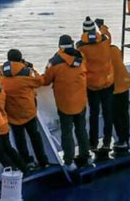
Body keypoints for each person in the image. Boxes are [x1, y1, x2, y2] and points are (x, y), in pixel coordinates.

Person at [43, 35, 91, 170]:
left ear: (59, 46)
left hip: (65, 104)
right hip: (81, 101)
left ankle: (69, 162)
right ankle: (86, 156)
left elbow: (46, 80)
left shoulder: (54, 62)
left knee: (67, 133)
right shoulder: (80, 58)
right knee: (81, 130)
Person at [0, 49, 48, 168]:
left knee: (19, 140)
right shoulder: (27, 73)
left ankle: (27, 161)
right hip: (28, 112)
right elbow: (40, 81)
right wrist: (32, 68)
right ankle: (43, 161)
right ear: (20, 59)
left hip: (12, 114)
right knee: (35, 137)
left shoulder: (1, 74)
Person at [76, 18, 114, 152]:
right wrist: (101, 26)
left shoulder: (80, 46)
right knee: (108, 113)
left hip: (91, 85)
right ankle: (107, 142)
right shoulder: (105, 40)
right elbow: (108, 35)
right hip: (107, 82)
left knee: (94, 114)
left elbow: (79, 62)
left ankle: (93, 143)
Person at [110, 45, 130, 150]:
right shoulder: (114, 49)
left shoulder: (100, 54)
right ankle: (126, 140)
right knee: (124, 114)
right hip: (125, 84)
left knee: (116, 116)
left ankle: (122, 140)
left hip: (114, 88)